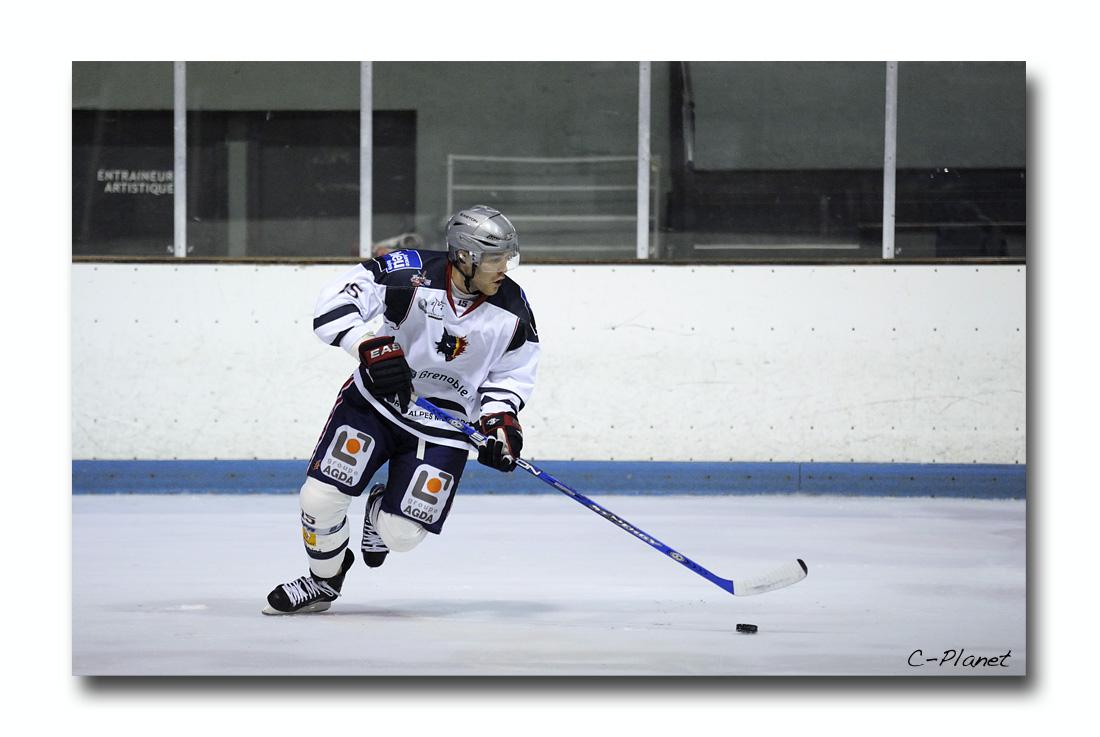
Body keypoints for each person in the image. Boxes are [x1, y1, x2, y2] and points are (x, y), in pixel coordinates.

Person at [263, 206, 539, 614]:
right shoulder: (409, 271)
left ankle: (379, 511)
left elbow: (512, 372)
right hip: (377, 402)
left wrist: (500, 422)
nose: (504, 269)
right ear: (465, 256)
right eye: (494, 259)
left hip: (446, 426)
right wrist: (367, 345)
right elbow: (336, 300)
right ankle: (323, 581)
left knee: (402, 535)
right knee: (319, 498)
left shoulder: (513, 308)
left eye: (507, 258)